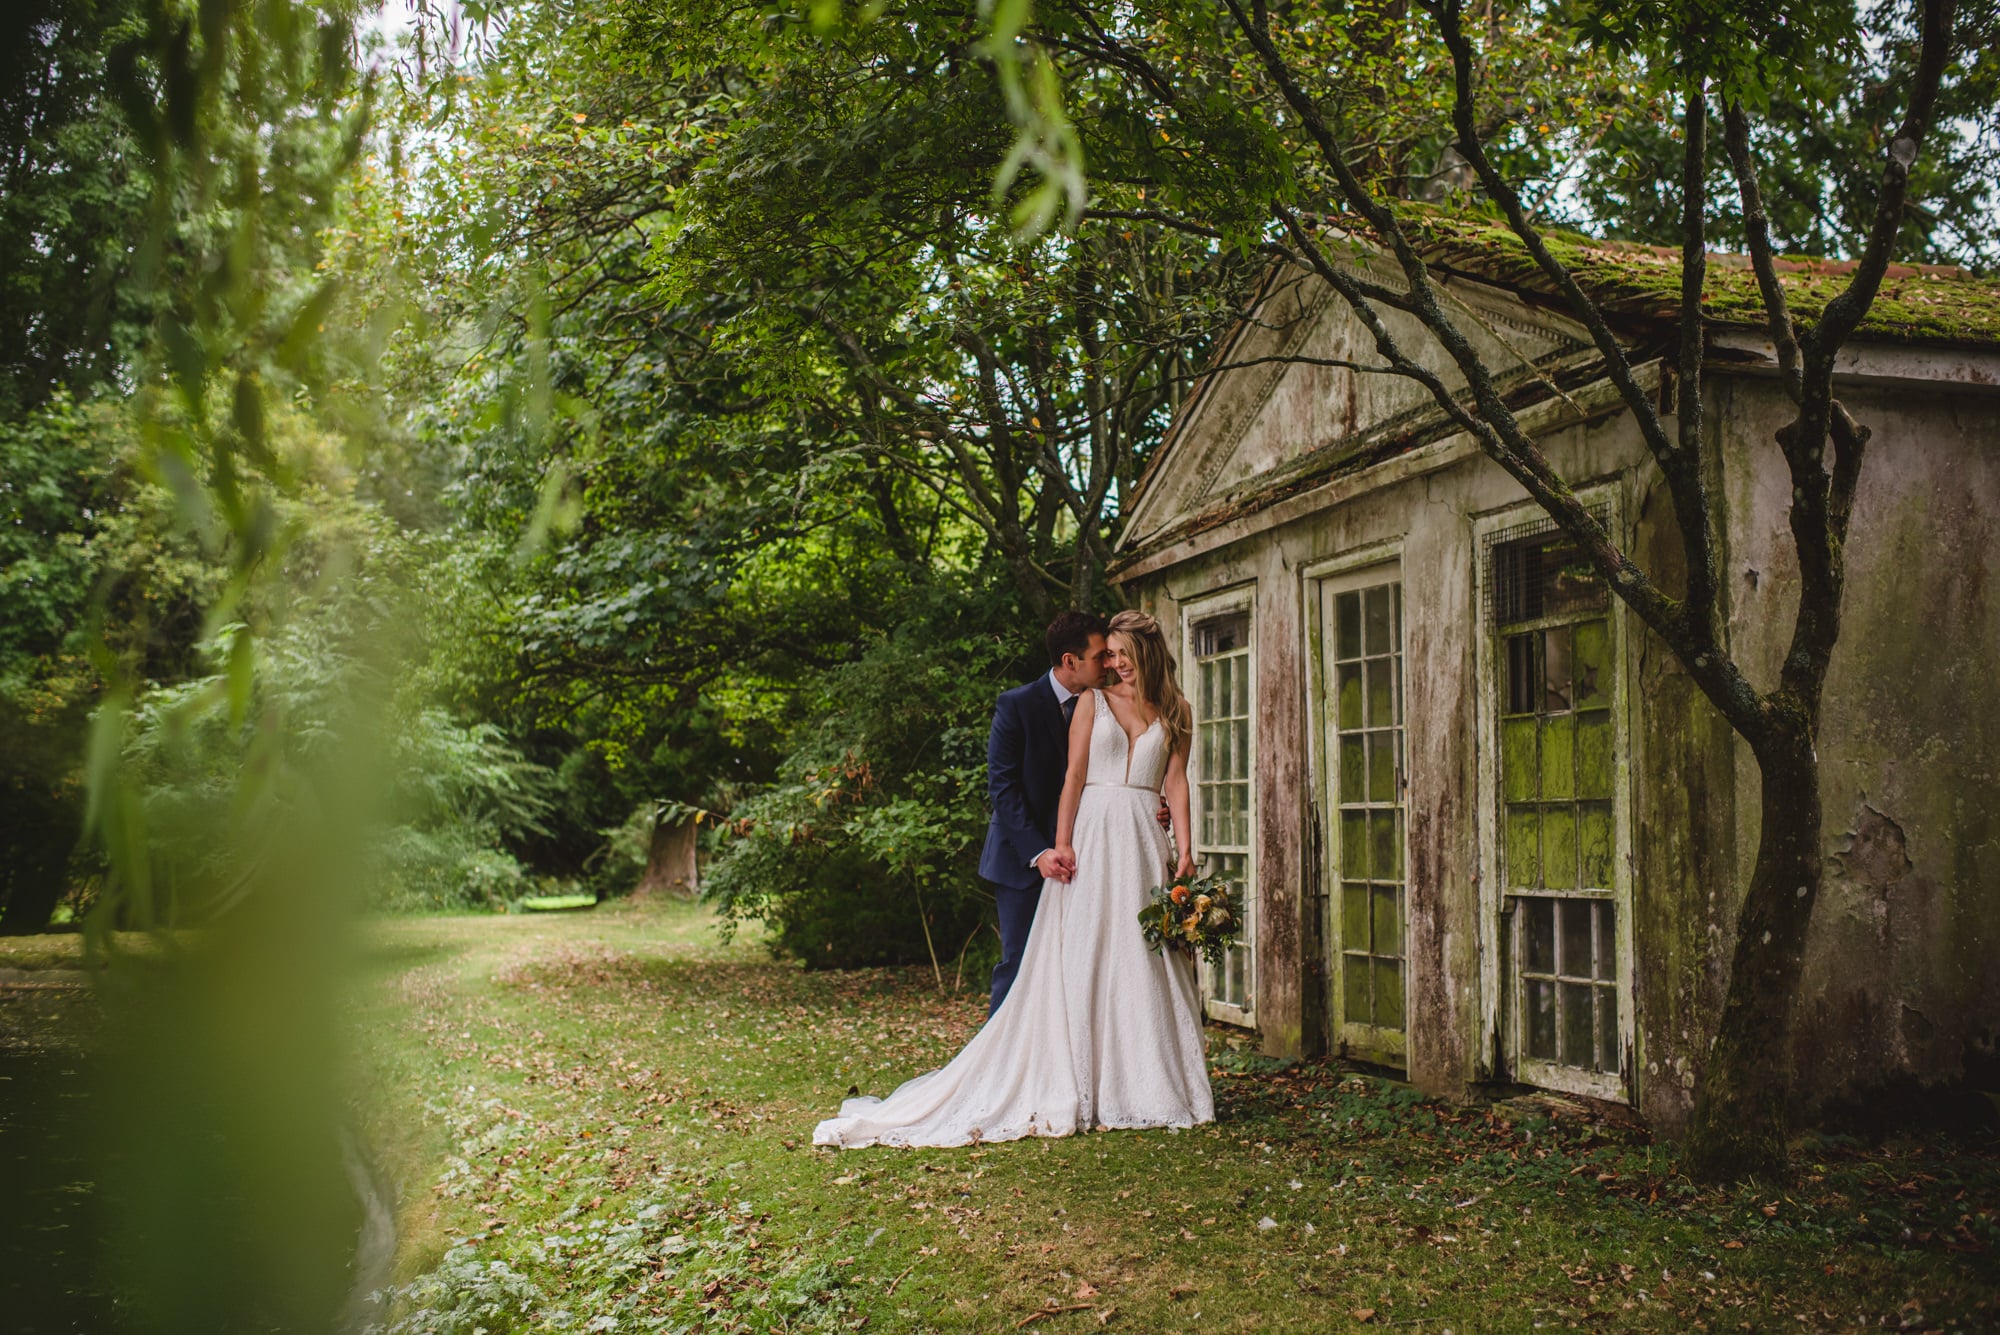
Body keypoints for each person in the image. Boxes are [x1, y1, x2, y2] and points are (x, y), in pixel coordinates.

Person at [813, 609, 1214, 1149]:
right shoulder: (1088, 702)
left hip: (1144, 839)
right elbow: (1069, 778)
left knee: (1141, 954)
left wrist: (1184, 847)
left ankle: (1146, 1082)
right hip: (1090, 836)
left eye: (1121, 653)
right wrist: (1062, 842)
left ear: (1145, 652)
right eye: (1107, 653)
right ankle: (1074, 1075)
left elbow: (1177, 781)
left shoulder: (1176, 709)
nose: (1113, 662)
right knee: (1080, 952)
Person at [976, 611, 1109, 1017]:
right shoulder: (1016, 704)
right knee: (1018, 965)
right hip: (1023, 860)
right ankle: (998, 1070)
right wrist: (1040, 852)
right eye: (1100, 656)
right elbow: (1003, 786)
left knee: (1079, 968)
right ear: (1070, 661)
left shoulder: (1109, 705)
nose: (1110, 664)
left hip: (1087, 858)